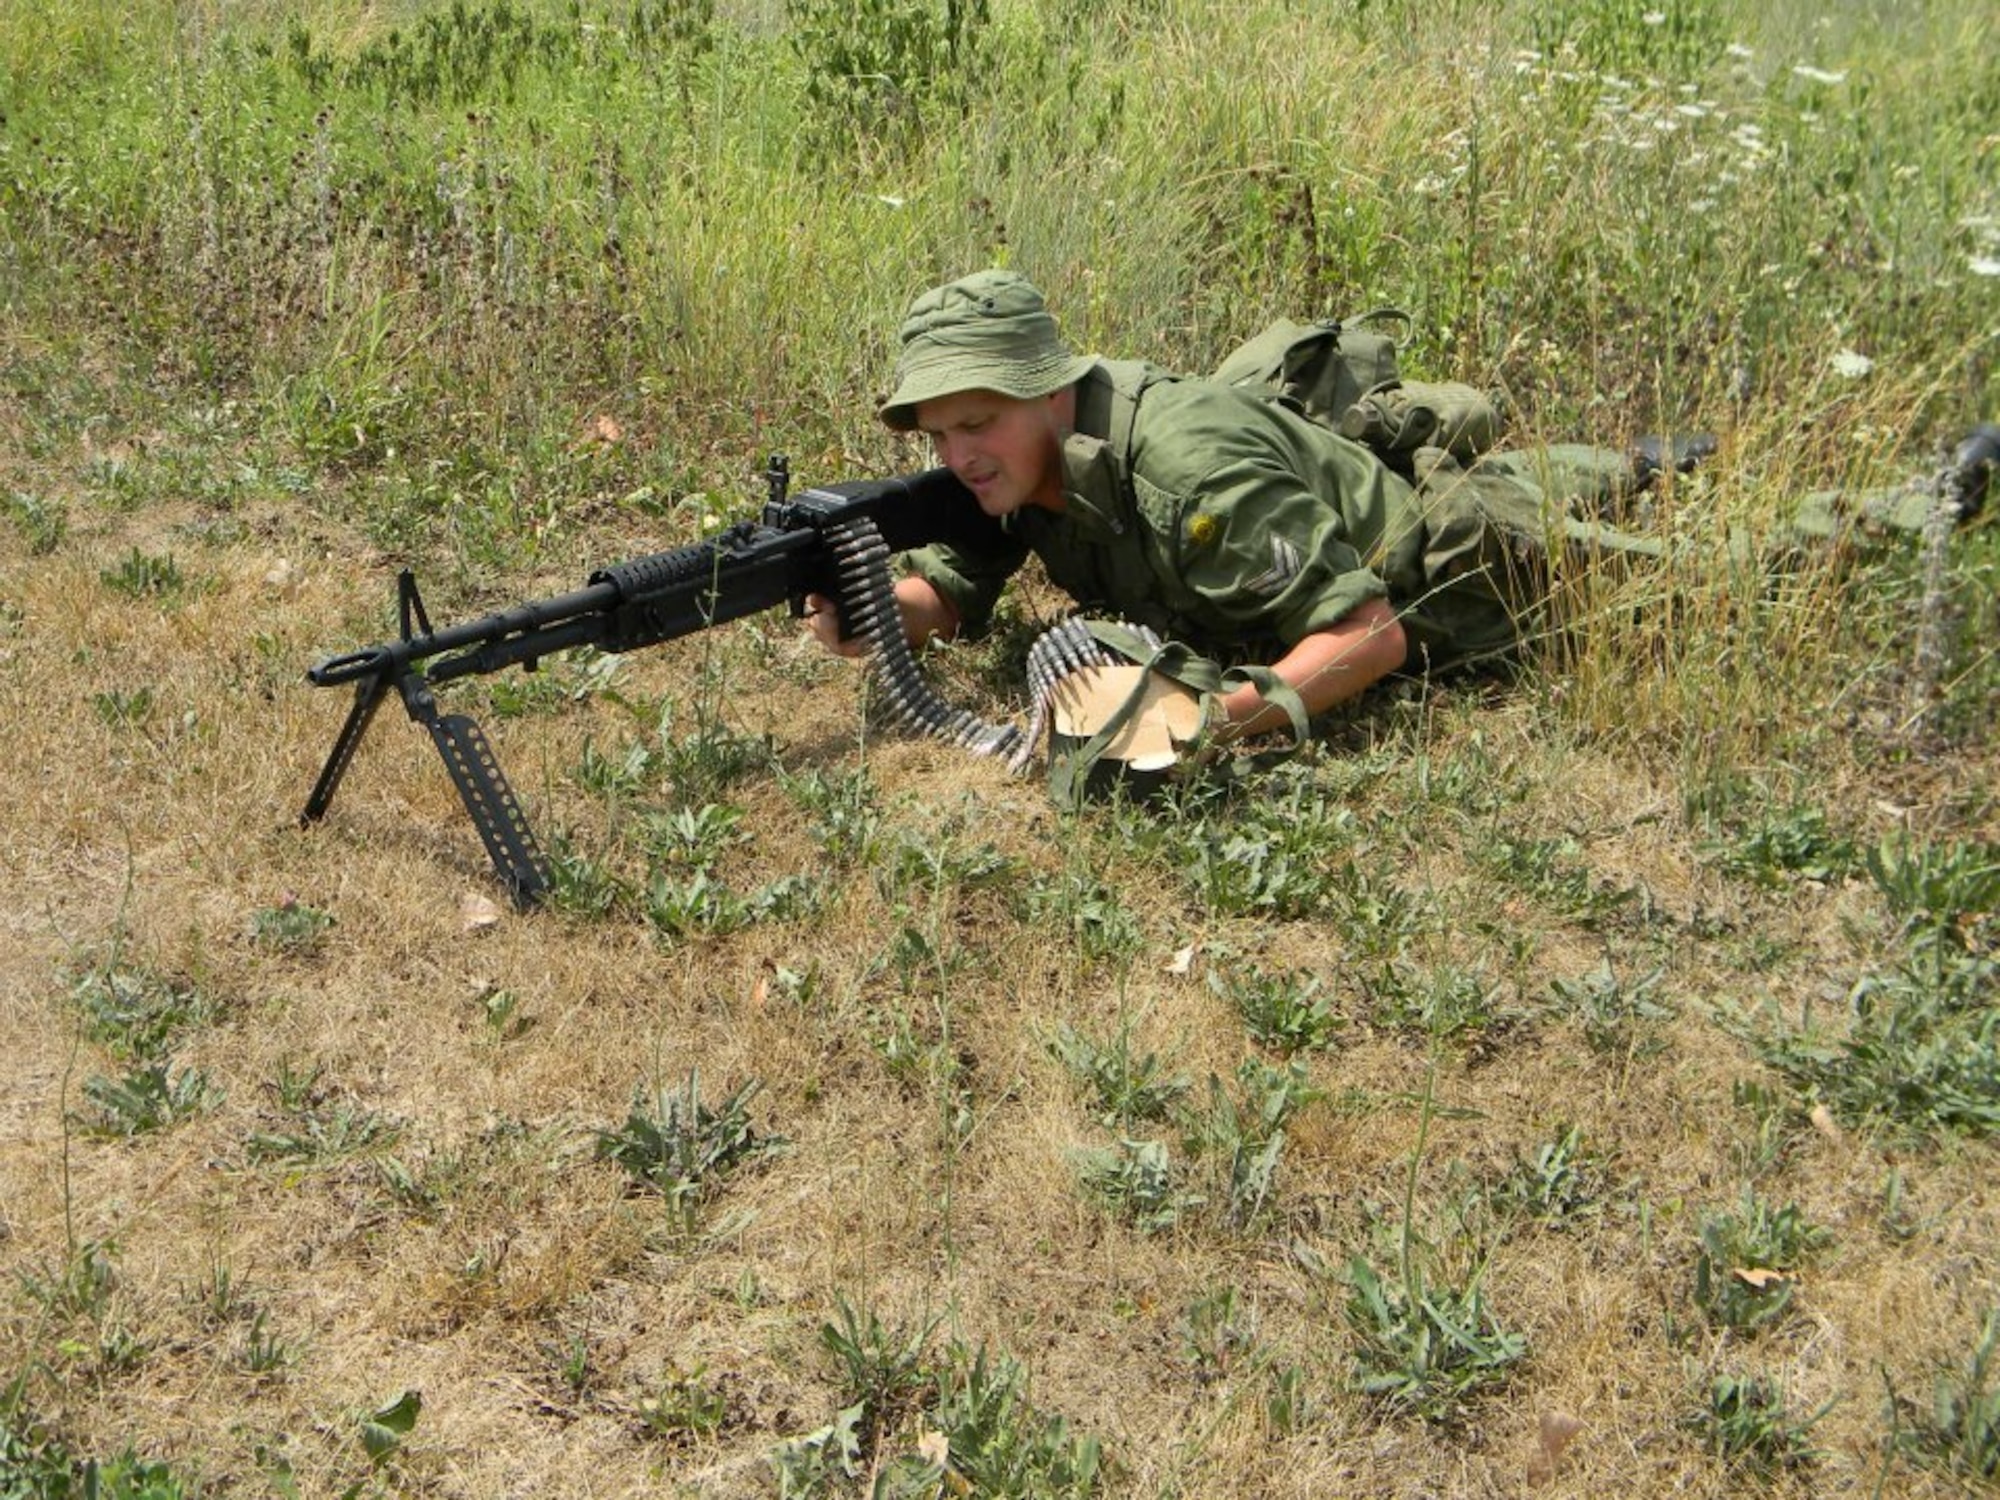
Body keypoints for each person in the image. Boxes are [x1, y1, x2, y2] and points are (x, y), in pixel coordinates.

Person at [806, 269, 1993, 741]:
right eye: (939, 431)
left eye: (977, 424)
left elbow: (1370, 633)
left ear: (1051, 393)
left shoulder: (1183, 475)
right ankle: (1640, 457)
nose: (956, 454)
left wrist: (1234, 717)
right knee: (1562, 479)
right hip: (1358, 494)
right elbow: (957, 587)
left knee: (1707, 575)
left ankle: (1916, 499)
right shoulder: (1021, 465)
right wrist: (873, 602)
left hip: (1449, 577)